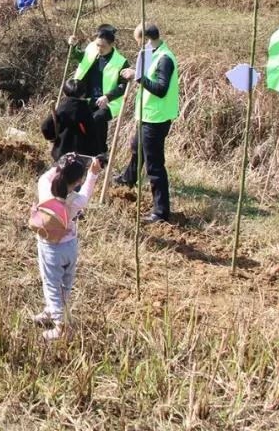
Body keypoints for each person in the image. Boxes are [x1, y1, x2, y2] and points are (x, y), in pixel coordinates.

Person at [31, 153, 101, 341]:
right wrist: (92, 173)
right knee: (65, 284)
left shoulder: (45, 189)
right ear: (77, 181)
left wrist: (63, 163)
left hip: (50, 248)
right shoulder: (76, 201)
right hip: (70, 247)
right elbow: (87, 191)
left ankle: (61, 327)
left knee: (52, 285)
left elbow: (45, 176)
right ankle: (51, 310)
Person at [116, 24, 179, 223]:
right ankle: (128, 178)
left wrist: (138, 77)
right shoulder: (154, 53)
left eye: (139, 42)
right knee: (136, 147)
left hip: (156, 119)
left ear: (146, 39)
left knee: (154, 166)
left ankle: (161, 212)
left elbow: (161, 89)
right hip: (147, 115)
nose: (138, 47)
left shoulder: (165, 59)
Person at [67, 25, 128, 154]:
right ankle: (85, 152)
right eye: (98, 45)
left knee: (96, 120)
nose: (99, 49)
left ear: (112, 45)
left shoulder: (121, 62)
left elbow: (123, 86)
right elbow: (78, 57)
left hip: (108, 102)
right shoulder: (91, 50)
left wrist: (108, 97)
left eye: (103, 46)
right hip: (87, 97)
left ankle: (100, 155)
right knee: (81, 123)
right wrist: (72, 47)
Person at [40, 79, 98, 160]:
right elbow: (92, 135)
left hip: (60, 153)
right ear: (84, 94)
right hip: (79, 157)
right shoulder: (85, 111)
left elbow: (45, 127)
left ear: (65, 92)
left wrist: (53, 138)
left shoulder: (62, 108)